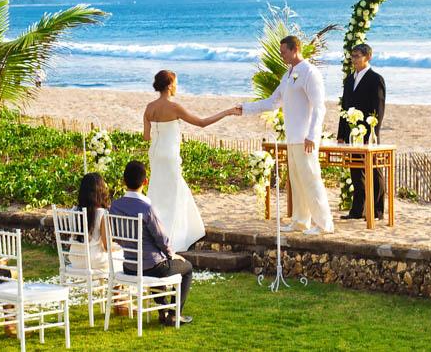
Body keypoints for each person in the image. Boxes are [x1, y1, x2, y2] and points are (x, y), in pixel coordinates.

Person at [237, 35, 334, 235]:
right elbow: (272, 102)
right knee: (297, 181)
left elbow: (319, 107)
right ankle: (300, 221)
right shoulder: (288, 74)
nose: (281, 56)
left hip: (305, 138)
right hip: (291, 138)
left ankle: (324, 224)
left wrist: (312, 136)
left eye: (284, 52)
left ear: (295, 49)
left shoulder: (310, 72)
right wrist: (244, 108)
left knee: (311, 179)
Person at [143, 70, 239, 251]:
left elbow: (146, 137)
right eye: (176, 82)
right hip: (170, 156)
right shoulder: (174, 107)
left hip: (155, 155)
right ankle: (172, 240)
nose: (177, 86)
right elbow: (202, 122)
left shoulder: (149, 108)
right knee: (173, 194)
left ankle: (154, 234)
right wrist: (227, 112)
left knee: (157, 191)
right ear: (170, 85)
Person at [109, 160, 194, 326]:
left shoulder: (115, 207)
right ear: (145, 182)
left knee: (159, 264)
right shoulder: (146, 208)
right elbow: (162, 239)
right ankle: (174, 314)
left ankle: (163, 311)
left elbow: (117, 236)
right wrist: (172, 255)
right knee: (187, 268)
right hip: (151, 267)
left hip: (130, 267)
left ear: (124, 181)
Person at [337, 44, 387, 220]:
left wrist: (371, 135)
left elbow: (378, 110)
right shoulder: (349, 80)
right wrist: (341, 135)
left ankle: (377, 211)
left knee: (374, 172)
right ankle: (357, 211)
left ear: (368, 57)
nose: (354, 59)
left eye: (357, 56)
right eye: (352, 56)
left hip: (368, 135)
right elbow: (344, 109)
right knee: (356, 173)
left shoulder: (376, 79)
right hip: (351, 134)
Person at [70, 173, 119, 273]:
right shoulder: (102, 213)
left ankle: (110, 287)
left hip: (76, 259)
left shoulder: (74, 210)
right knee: (122, 257)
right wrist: (119, 247)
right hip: (94, 260)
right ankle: (116, 287)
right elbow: (107, 246)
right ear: (100, 191)